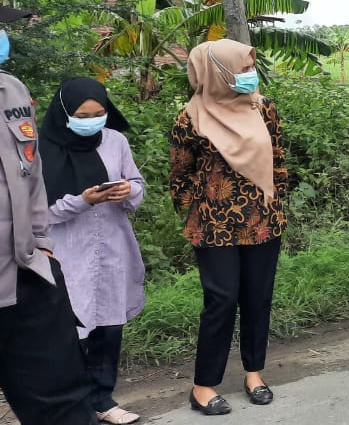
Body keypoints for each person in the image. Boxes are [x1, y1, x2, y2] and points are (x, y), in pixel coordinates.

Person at [170, 39, 287, 416]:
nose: (248, 75)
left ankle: (254, 374)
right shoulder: (190, 118)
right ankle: (203, 386)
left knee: (258, 298)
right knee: (220, 302)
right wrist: (197, 214)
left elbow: (279, 161)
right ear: (216, 73)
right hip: (213, 226)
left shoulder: (263, 108)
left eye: (249, 68)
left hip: (262, 220)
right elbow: (179, 176)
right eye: (240, 69)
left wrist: (275, 203)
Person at [0, 25, 99, 425]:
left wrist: (42, 243)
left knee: (65, 406)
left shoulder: (11, 90)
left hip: (27, 273)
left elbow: (31, 172)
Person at [40, 77, 145, 424]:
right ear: (65, 112)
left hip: (112, 249)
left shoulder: (115, 141)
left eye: (100, 113)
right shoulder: (43, 149)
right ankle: (72, 407)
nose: (93, 120)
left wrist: (127, 190)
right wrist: (81, 202)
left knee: (107, 329)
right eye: (83, 114)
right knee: (70, 332)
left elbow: (138, 186)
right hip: (67, 253)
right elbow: (38, 211)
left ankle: (103, 400)